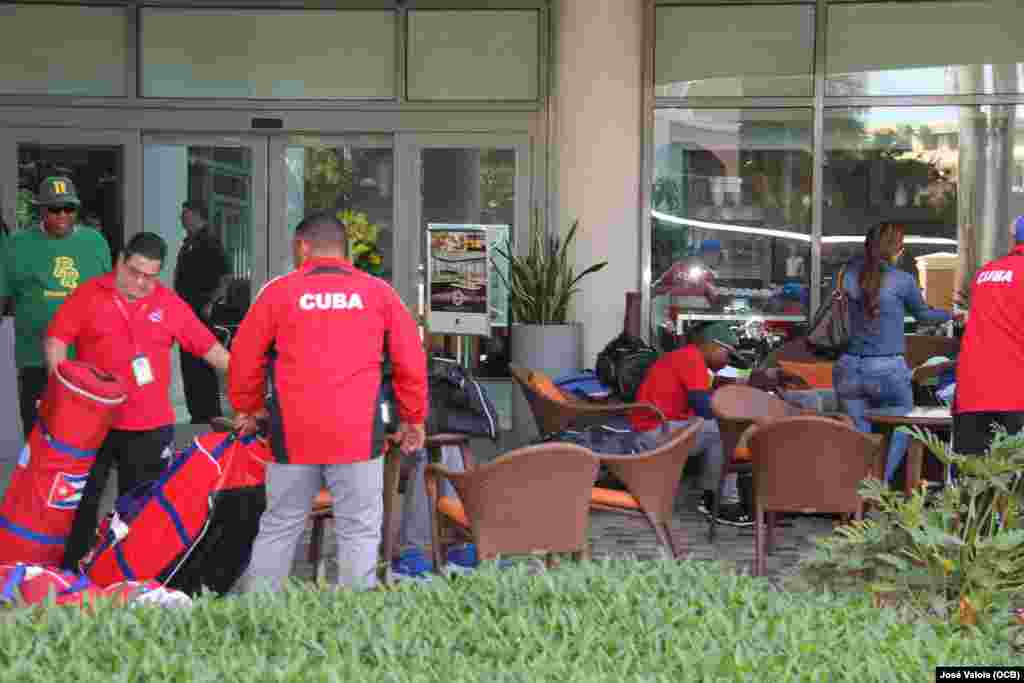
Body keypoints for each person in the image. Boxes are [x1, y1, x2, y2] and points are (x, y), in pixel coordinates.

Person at [228, 211, 427, 591]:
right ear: (344, 248)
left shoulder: (278, 292)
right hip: (356, 436)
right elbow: (409, 360)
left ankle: (258, 619)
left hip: (293, 435)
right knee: (358, 529)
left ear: (303, 247)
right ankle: (351, 623)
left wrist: (250, 407)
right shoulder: (378, 293)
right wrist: (412, 417)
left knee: (280, 524)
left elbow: (244, 356)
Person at [45, 232, 230, 570]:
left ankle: (126, 576)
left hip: (149, 425)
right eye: (134, 272)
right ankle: (70, 574)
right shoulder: (89, 294)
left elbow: (209, 349)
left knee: (142, 510)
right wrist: (62, 389)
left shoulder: (168, 303)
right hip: (92, 421)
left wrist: (245, 377)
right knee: (81, 504)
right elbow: (57, 340)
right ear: (120, 260)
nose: (141, 282)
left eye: (150, 276)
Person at [832, 222, 953, 482]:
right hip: (887, 369)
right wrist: (952, 313)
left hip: (848, 367)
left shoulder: (846, 275)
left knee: (859, 436)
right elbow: (924, 316)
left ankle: (857, 493)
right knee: (904, 425)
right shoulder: (903, 280)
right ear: (897, 250)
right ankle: (878, 485)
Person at [0, 177, 111, 436]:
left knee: (83, 436)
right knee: (40, 435)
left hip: (86, 359)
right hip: (36, 358)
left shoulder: (95, 242)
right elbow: (4, 293)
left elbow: (109, 296)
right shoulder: (17, 244)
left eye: (69, 208)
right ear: (41, 210)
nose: (62, 215)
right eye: (54, 209)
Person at [630, 321, 752, 527]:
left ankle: (711, 496)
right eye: (727, 355)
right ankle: (723, 502)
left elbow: (699, 404)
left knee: (720, 427)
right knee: (723, 429)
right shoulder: (691, 358)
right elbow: (703, 408)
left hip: (655, 428)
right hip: (653, 433)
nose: (727, 362)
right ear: (713, 346)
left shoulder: (685, 357)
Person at [952, 215, 1024, 456]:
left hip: (972, 394)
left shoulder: (986, 273)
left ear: (1014, 238)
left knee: (974, 484)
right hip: (1015, 395)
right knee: (1012, 486)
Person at [173, 201, 229, 424]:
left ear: (197, 215)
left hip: (202, 310)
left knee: (204, 360)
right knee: (190, 361)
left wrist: (211, 303)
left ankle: (209, 411)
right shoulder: (189, 243)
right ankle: (197, 410)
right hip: (186, 311)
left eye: (185, 215)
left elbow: (225, 277)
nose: (182, 219)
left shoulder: (210, 242)